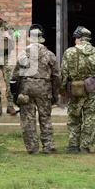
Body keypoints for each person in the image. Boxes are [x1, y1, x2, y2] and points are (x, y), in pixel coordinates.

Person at [11, 24, 60, 154]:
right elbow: (56, 76)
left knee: (28, 119)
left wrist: (15, 95)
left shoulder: (23, 54)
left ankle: (32, 148)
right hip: (44, 89)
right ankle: (48, 146)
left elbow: (15, 76)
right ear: (41, 38)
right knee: (45, 117)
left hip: (26, 89)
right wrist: (55, 95)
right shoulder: (49, 55)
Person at [60, 26, 95, 153]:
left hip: (75, 91)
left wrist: (62, 90)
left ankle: (73, 146)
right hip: (91, 92)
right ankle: (86, 146)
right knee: (90, 119)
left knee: (74, 118)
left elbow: (63, 74)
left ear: (79, 38)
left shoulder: (69, 52)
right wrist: (94, 83)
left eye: (75, 38)